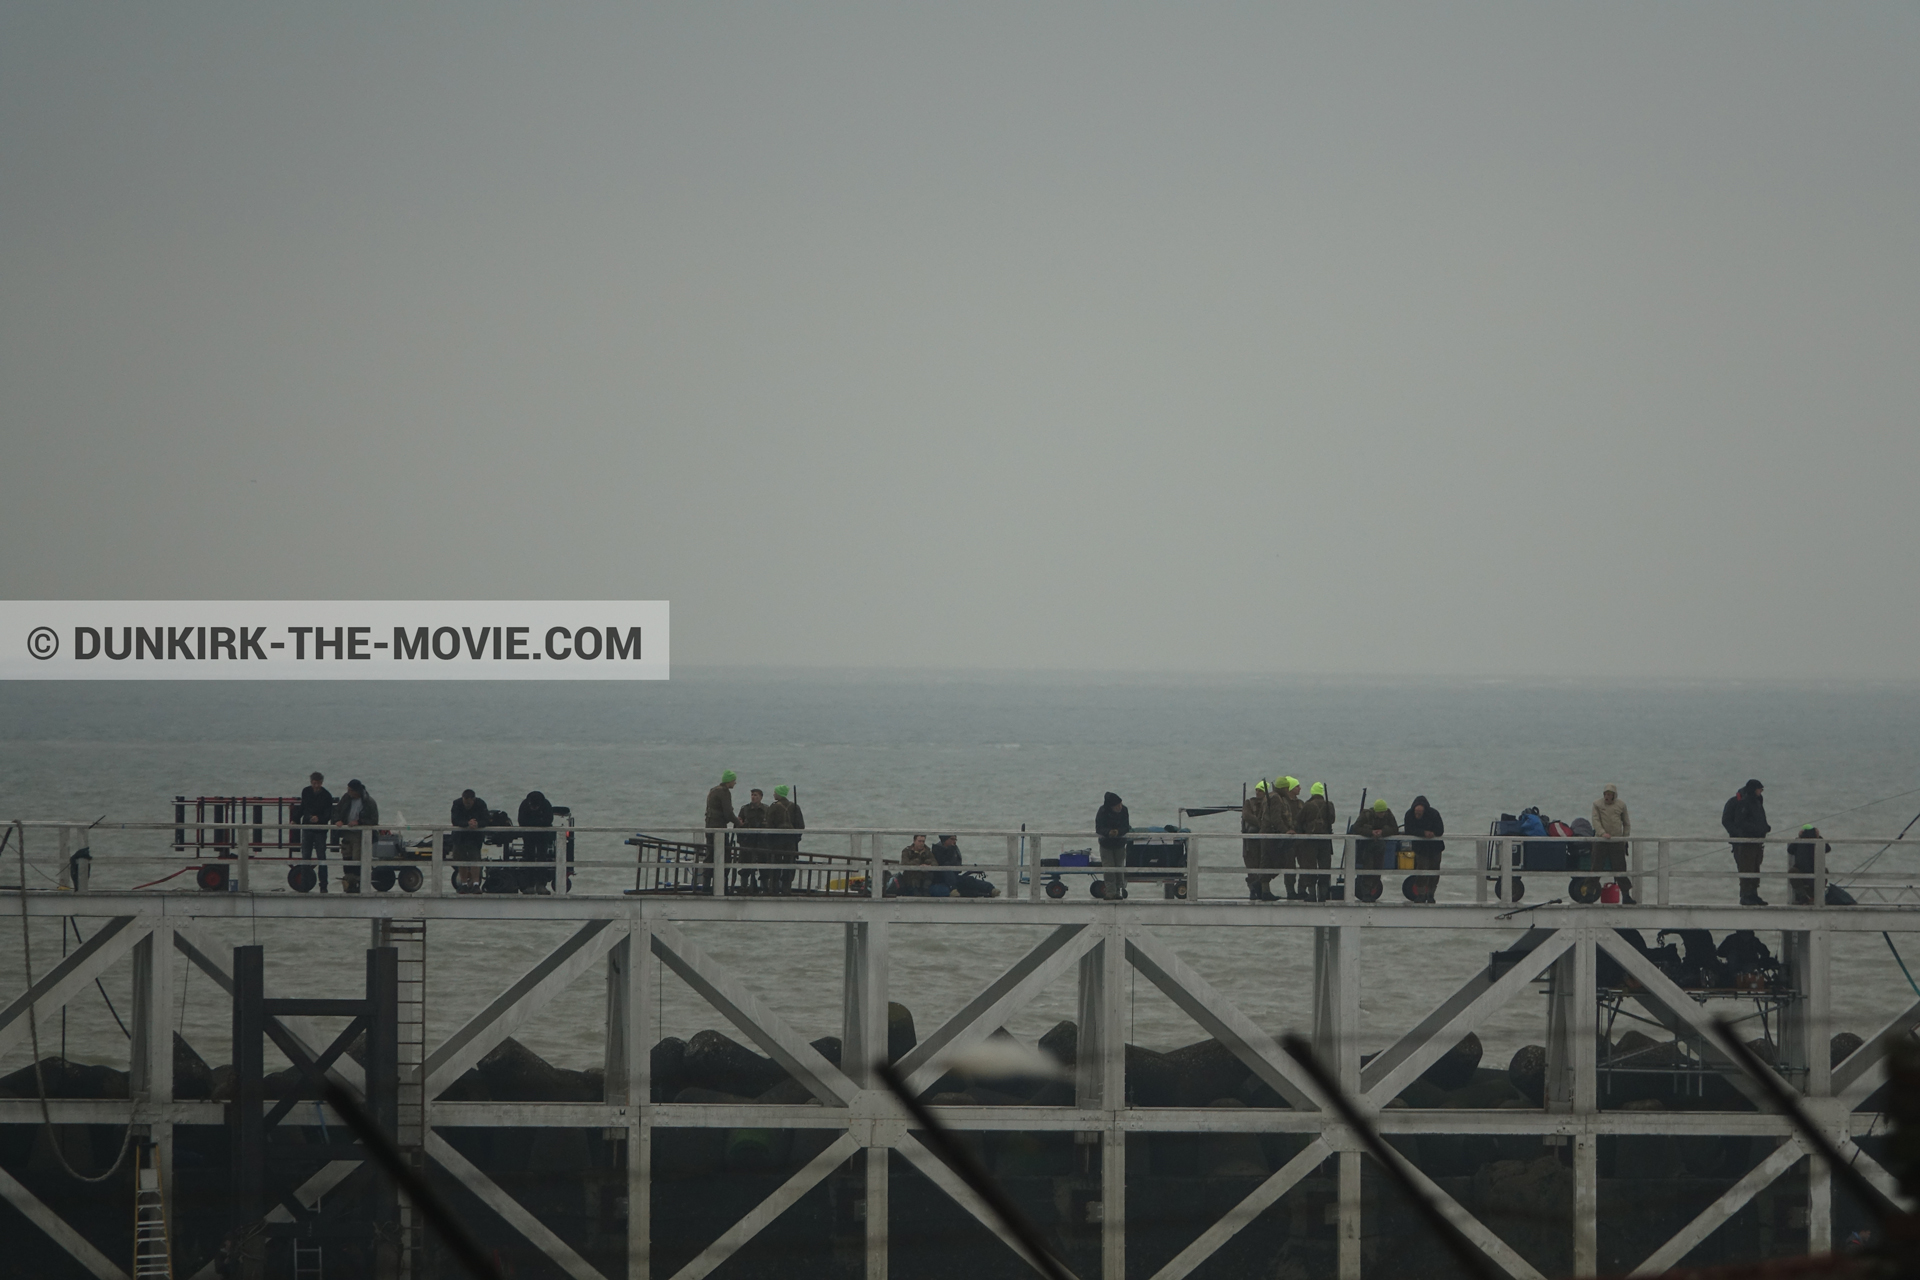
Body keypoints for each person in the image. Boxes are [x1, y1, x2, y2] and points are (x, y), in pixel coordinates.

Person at [1720, 779, 1771, 905]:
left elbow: (1759, 819)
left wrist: (1765, 828)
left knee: (1755, 868)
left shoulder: (1757, 802)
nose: (1761, 792)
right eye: (1760, 789)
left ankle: (1753, 894)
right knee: (1746, 868)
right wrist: (1739, 835)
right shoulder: (1738, 802)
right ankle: (1746, 895)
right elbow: (1731, 821)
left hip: (1757, 842)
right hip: (1743, 843)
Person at [332, 779, 379, 893]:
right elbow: (336, 811)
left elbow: (373, 820)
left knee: (357, 858)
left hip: (359, 835)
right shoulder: (346, 798)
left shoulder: (368, 802)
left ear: (357, 791)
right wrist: (337, 820)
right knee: (346, 857)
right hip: (347, 833)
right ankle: (348, 883)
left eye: (350, 790)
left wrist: (359, 822)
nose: (348, 792)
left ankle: (357, 884)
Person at [1590, 785, 1635, 905]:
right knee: (1596, 867)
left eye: (1610, 795)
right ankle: (1588, 894)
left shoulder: (1621, 805)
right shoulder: (1597, 804)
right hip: (1601, 841)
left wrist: (1624, 839)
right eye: (1605, 794)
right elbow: (1595, 821)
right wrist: (1602, 833)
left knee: (1620, 868)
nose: (1607, 797)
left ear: (1614, 795)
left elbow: (1626, 823)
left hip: (1616, 841)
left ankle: (1626, 895)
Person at [1351, 798, 1399, 902]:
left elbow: (1395, 829)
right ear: (1376, 811)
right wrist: (1370, 832)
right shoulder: (1366, 815)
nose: (1382, 814)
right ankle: (1365, 893)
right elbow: (1356, 828)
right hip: (1366, 848)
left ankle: (1372, 890)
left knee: (1378, 870)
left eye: (1383, 812)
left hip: (1380, 848)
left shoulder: (1388, 815)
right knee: (1368, 869)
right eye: (1380, 813)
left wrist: (1383, 832)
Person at [1296, 783, 1337, 901]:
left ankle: (1312, 894)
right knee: (1325, 866)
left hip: (1310, 841)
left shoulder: (1308, 805)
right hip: (1325, 841)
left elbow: (1299, 819)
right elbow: (1332, 820)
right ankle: (1323, 894)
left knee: (1310, 866)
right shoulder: (1329, 804)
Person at [294, 772, 335, 892]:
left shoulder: (327, 796)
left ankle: (323, 885)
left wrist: (319, 819)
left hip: (320, 830)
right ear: (311, 782)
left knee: (321, 857)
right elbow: (303, 807)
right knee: (305, 856)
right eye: (314, 783)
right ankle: (304, 884)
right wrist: (295, 819)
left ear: (322, 783)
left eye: (318, 783)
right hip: (307, 827)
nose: (316, 786)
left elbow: (328, 814)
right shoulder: (306, 792)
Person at [1401, 796, 1445, 903]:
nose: (1417, 815)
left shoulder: (1434, 814)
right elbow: (1408, 830)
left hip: (1435, 847)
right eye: (1416, 812)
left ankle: (1431, 894)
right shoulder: (1409, 814)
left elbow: (1440, 829)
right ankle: (1421, 894)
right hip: (1420, 848)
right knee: (1421, 870)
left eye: (1419, 813)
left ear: (1424, 810)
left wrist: (1432, 833)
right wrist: (1423, 833)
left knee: (1434, 871)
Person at [703, 771, 738, 895]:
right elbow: (727, 812)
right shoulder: (724, 792)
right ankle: (722, 885)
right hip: (719, 827)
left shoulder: (713, 790)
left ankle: (706, 885)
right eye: (734, 780)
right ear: (729, 781)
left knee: (710, 854)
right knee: (725, 855)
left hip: (709, 826)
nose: (735, 782)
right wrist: (738, 822)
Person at [449, 788, 489, 892]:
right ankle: (464, 883)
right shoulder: (457, 804)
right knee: (461, 861)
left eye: (469, 803)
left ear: (473, 799)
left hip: (475, 837)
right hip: (460, 837)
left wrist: (477, 824)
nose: (467, 804)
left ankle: (476, 884)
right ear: (462, 798)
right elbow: (455, 820)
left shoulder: (480, 804)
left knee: (475, 859)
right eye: (465, 802)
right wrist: (467, 823)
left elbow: (486, 819)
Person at [517, 790, 557, 893]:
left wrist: (532, 823)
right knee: (528, 858)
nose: (534, 808)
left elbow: (549, 820)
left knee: (542, 858)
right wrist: (539, 822)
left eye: (536, 807)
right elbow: (521, 821)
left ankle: (541, 884)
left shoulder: (546, 805)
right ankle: (529, 885)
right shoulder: (524, 805)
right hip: (528, 836)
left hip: (542, 836)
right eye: (532, 807)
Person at [765, 785, 803, 895]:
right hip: (791, 840)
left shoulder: (774, 807)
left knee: (775, 864)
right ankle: (787, 888)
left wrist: (769, 840)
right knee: (789, 863)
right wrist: (797, 838)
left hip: (776, 841)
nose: (773, 794)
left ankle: (773, 888)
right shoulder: (795, 807)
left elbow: (769, 824)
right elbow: (800, 825)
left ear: (779, 794)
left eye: (775, 792)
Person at [1095, 792, 1132, 899]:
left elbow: (1126, 826)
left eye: (1120, 804)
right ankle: (1110, 892)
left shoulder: (1124, 810)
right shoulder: (1102, 812)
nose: (1120, 807)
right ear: (1111, 806)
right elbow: (1099, 828)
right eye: (1117, 806)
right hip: (1106, 844)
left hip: (1120, 843)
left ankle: (1119, 890)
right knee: (1108, 868)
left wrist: (1118, 832)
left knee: (1119, 868)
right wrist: (1108, 832)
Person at [735, 787, 770, 894]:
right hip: (747, 842)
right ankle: (744, 886)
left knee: (764, 867)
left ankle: (765, 887)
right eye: (752, 795)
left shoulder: (766, 809)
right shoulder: (745, 809)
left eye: (756, 795)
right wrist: (741, 840)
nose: (753, 797)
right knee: (745, 867)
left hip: (762, 843)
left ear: (761, 797)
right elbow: (737, 825)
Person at [1242, 780, 1272, 902]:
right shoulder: (1249, 803)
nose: (1258, 792)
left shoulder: (1268, 803)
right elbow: (1247, 816)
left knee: (1264, 864)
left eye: (1261, 790)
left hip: (1264, 839)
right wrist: (1261, 824)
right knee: (1252, 865)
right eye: (1257, 790)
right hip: (1251, 839)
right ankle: (1253, 891)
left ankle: (1262, 890)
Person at [1787, 824, 1829, 906]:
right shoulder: (1817, 842)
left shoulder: (1799, 842)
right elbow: (1827, 848)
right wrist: (1819, 837)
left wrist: (1798, 838)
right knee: (1825, 871)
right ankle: (1812, 896)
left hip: (1804, 871)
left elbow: (1790, 850)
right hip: (1812, 871)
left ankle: (1805, 897)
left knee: (1792, 872)